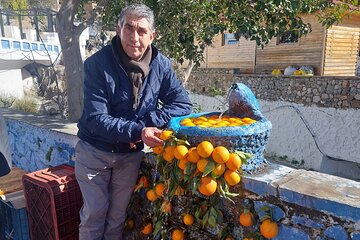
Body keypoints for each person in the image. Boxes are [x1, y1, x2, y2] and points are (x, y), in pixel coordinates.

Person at [75, 3, 192, 240]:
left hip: (129, 157)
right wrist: (139, 131)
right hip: (95, 152)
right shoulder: (97, 65)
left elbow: (183, 104)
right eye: (129, 28)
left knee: (117, 218)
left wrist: (149, 122)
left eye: (141, 31)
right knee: (94, 215)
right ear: (119, 29)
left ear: (152, 36)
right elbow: (97, 119)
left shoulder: (161, 65)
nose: (134, 37)